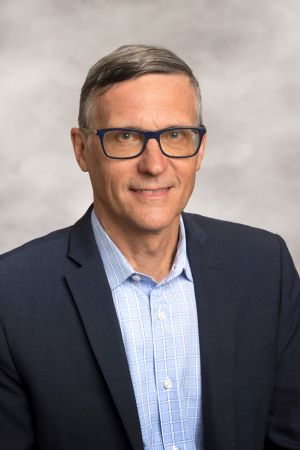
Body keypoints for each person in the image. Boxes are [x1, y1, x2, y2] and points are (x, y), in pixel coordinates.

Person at [0, 44, 299, 450]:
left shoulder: (266, 266)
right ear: (82, 149)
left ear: (201, 148)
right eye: (126, 136)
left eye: (176, 135)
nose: (154, 164)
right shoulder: (11, 294)